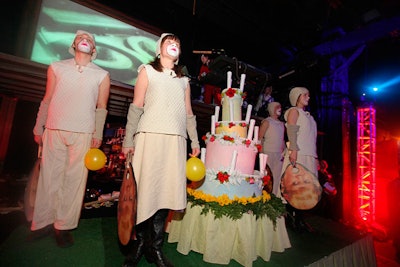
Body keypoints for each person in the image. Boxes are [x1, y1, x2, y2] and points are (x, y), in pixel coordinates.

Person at [121, 33, 200, 267]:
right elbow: (136, 107)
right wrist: (128, 140)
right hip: (149, 137)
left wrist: (194, 141)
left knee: (165, 193)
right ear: (159, 49)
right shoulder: (147, 71)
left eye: (178, 42)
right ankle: (138, 246)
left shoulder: (183, 81)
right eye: (170, 42)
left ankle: (154, 248)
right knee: (144, 191)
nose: (174, 44)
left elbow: (188, 113)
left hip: (175, 141)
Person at [30, 30, 110, 247]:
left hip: (83, 133)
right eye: (80, 38)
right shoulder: (57, 67)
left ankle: (62, 226)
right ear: (73, 45)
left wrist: (98, 134)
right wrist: (39, 127)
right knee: (49, 177)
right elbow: (47, 99)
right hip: (54, 128)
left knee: (74, 181)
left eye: (89, 39)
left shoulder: (102, 75)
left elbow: (101, 108)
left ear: (93, 49)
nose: (84, 40)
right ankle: (43, 223)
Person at [280, 86, 321, 232]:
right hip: (298, 153)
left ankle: (299, 218)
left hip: (309, 154)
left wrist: (315, 157)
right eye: (305, 95)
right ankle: (291, 218)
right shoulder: (293, 111)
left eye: (308, 95)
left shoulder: (309, 116)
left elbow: (312, 138)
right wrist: (293, 150)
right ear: (297, 96)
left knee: (307, 189)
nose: (308, 98)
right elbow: (291, 131)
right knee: (294, 186)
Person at [258, 102, 285, 196]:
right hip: (268, 153)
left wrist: (284, 151)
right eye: (277, 107)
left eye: (280, 107)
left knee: (277, 177)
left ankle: (274, 197)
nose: (280, 109)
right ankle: (264, 196)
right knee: (267, 177)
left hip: (279, 155)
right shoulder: (267, 122)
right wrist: (262, 153)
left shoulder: (282, 124)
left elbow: (282, 140)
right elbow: (260, 138)